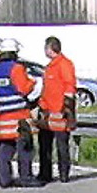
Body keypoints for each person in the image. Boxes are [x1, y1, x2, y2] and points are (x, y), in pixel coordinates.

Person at [0, 38, 44, 188]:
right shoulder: (17, 68)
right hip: (18, 115)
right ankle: (25, 177)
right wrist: (32, 82)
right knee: (25, 147)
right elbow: (23, 89)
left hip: (2, 116)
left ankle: (4, 178)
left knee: (6, 147)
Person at [36, 36, 77, 183]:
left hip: (60, 112)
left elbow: (69, 87)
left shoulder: (64, 64)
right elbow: (46, 89)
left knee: (61, 145)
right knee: (44, 145)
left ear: (50, 48)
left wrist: (67, 108)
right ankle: (45, 173)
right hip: (47, 113)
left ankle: (64, 173)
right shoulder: (50, 67)